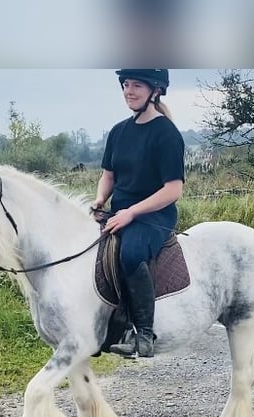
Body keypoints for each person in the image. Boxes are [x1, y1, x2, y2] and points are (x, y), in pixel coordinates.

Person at [93, 69, 186, 358]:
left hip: (153, 216)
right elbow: (108, 176)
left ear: (155, 91)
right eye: (125, 85)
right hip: (120, 211)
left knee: (130, 253)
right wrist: (99, 201)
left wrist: (131, 213)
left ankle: (143, 334)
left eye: (136, 85)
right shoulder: (119, 132)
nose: (128, 91)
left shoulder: (167, 134)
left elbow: (173, 190)